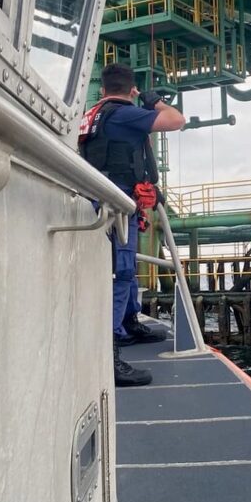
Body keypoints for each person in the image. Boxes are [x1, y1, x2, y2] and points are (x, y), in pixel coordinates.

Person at [79, 63, 186, 386]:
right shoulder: (125, 113)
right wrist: (152, 100)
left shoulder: (92, 114)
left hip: (99, 196)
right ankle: (110, 355)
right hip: (118, 202)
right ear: (130, 90)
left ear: (102, 90)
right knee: (122, 271)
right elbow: (176, 120)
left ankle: (129, 323)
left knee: (124, 269)